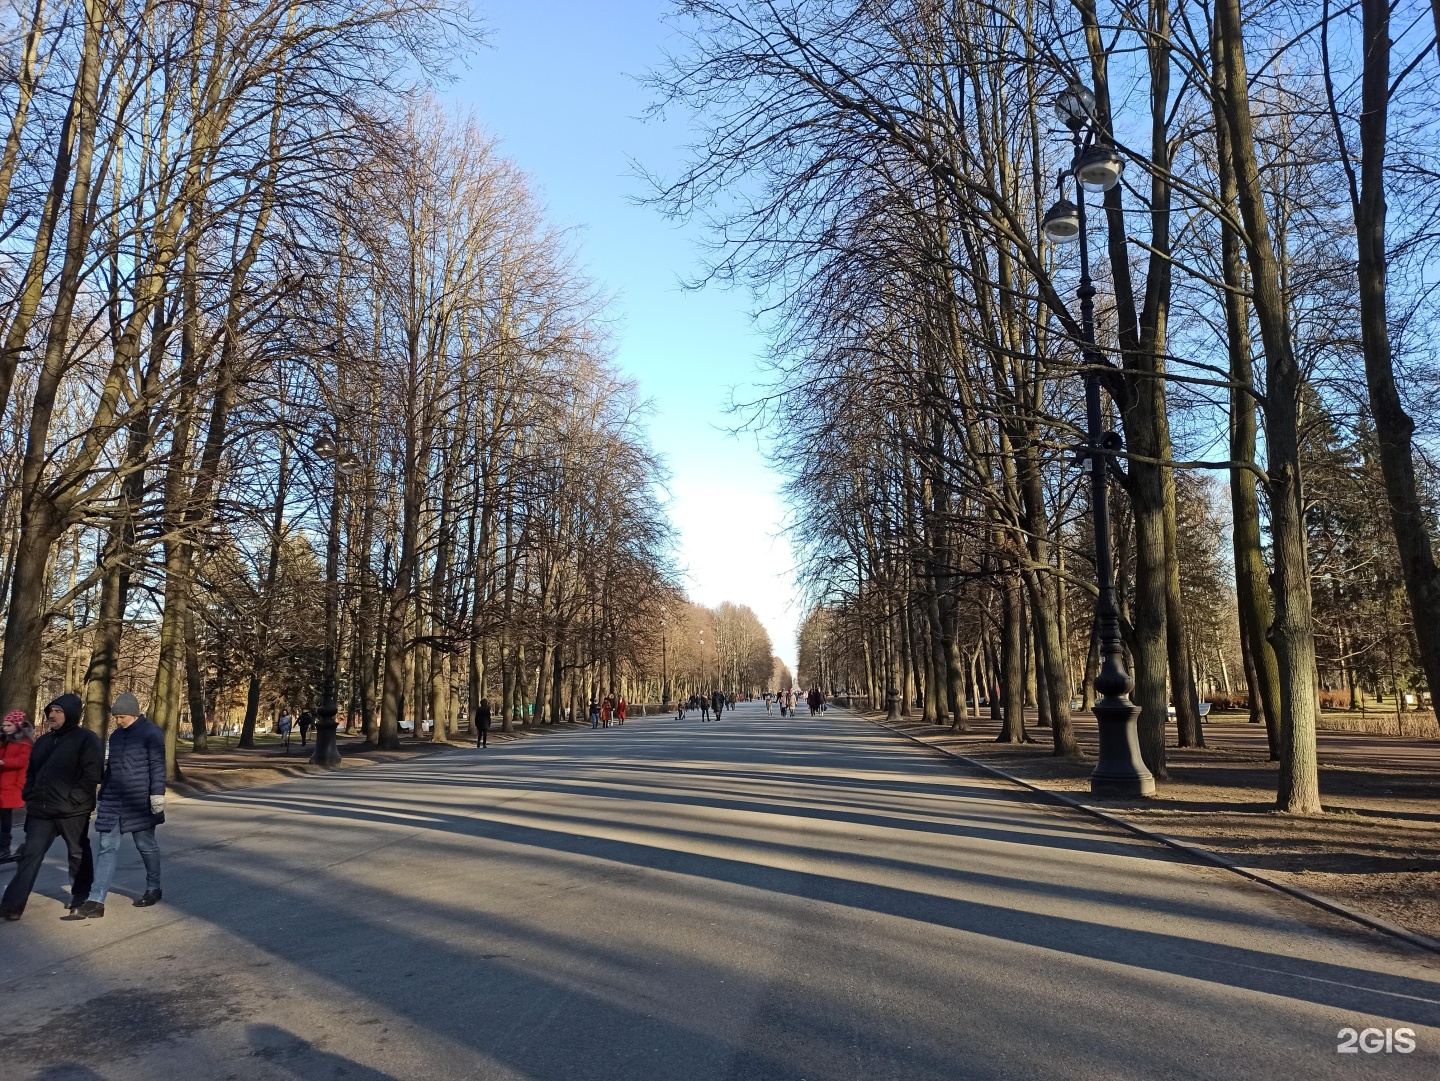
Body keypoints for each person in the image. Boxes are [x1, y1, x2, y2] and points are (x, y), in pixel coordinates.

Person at [0, 694, 101, 920]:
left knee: (77, 853)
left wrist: (74, 799)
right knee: (29, 855)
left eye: (58, 711)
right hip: (41, 811)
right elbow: (32, 771)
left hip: (72, 811)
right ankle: (11, 906)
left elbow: (91, 774)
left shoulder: (86, 738)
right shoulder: (44, 741)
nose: (52, 715)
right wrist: (29, 794)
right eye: (50, 711)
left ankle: (80, 897)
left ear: (71, 714)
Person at [80, 693, 165, 917]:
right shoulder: (116, 737)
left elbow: (157, 765)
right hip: (113, 801)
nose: (118, 721)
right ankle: (96, 900)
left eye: (122, 717)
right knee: (106, 848)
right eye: (116, 717)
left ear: (134, 714)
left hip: (139, 801)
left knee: (145, 845)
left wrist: (157, 794)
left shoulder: (151, 732)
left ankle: (153, 887)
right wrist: (103, 794)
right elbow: (111, 768)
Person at [0, 711, 33, 864]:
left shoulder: (24, 743)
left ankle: (4, 848)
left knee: (5, 816)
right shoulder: (3, 740)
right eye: (4, 725)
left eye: (9, 725)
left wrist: (4, 762)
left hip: (12, 785)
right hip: (2, 783)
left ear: (17, 725)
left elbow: (21, 761)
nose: (5, 728)